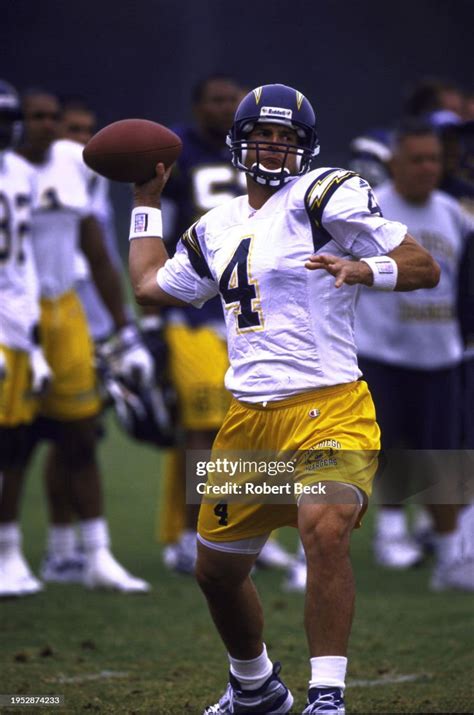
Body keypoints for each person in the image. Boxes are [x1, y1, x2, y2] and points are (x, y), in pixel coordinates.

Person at [128, 83, 439, 714]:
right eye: (263, 134)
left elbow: (421, 265)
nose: (274, 145)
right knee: (215, 573)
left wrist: (364, 269)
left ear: (305, 146)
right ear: (240, 143)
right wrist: (144, 203)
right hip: (247, 418)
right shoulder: (215, 226)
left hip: (330, 403)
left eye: (287, 136)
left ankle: (327, 695)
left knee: (324, 530)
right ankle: (255, 684)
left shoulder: (326, 193)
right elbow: (147, 287)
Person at [0, 87, 153, 595]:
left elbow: (97, 250)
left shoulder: (72, 163)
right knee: (14, 442)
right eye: (37, 117)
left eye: (50, 116)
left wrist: (124, 330)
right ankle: (9, 551)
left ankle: (96, 554)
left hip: (65, 308)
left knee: (81, 434)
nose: (45, 125)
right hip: (16, 309)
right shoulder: (10, 170)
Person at [148, 74, 293, 575]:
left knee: (258, 423)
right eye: (215, 100)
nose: (225, 107)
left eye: (232, 100)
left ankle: (249, 528)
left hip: (252, 308)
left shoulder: (270, 159)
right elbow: (164, 238)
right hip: (195, 311)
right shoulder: (179, 150)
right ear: (196, 106)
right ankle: (193, 534)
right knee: (206, 425)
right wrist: (154, 322)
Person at [355, 118, 474, 590]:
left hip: (439, 355)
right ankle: (388, 535)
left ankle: (451, 559)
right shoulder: (370, 209)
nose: (428, 168)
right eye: (417, 159)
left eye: (434, 159)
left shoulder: (453, 213)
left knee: (443, 458)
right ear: (395, 162)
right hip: (380, 351)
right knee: (378, 451)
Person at [0, 79, 52, 597]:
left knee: (13, 445)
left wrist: (34, 343)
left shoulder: (19, 172)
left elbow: (24, 261)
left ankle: (9, 550)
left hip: (17, 321)